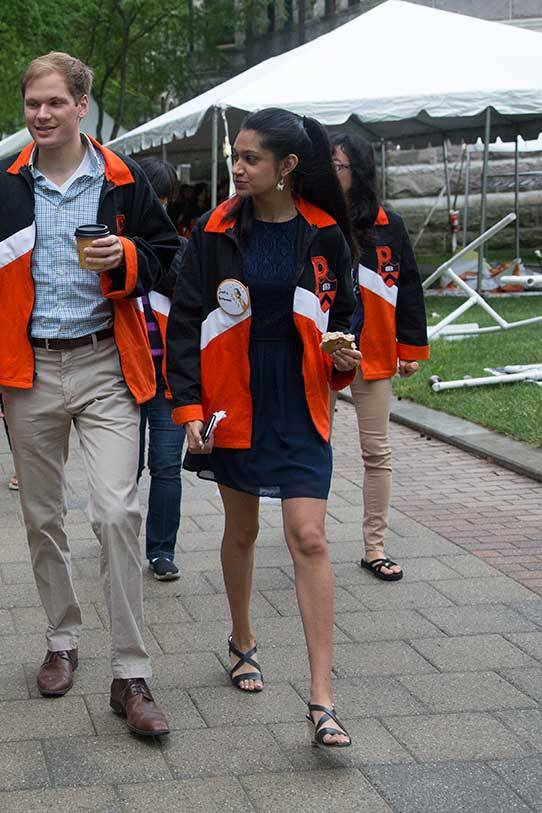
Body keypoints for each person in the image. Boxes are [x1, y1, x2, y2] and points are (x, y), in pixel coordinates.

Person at [0, 51, 180, 738]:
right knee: (43, 516)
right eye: (32, 104)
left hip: (107, 362)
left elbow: (169, 254)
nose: (42, 115)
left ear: (82, 106)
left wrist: (130, 258)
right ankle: (61, 638)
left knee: (116, 511)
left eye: (55, 103)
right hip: (28, 371)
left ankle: (131, 671)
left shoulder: (122, 178)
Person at [166, 108, 361, 748]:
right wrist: (189, 409)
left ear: (287, 166)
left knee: (309, 537)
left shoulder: (327, 233)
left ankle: (321, 699)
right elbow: (185, 322)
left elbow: (346, 316)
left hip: (301, 401)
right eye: (236, 157)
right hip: (233, 399)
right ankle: (242, 637)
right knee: (242, 529)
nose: (238, 167)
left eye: (250, 158)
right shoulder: (214, 230)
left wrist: (343, 354)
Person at [331, 132, 429, 581]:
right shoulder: (317, 219)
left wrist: (409, 348)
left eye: (340, 166)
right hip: (324, 352)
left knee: (377, 451)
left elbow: (408, 286)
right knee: (312, 445)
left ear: (360, 172)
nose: (332, 172)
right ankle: (304, 528)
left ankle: (375, 546)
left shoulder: (389, 224)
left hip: (373, 351)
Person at [135, 157, 185, 581]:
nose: (158, 207)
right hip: (122, 380)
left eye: (163, 200)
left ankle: (161, 550)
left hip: (169, 380)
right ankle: (114, 538)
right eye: (152, 197)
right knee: (121, 468)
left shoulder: (181, 250)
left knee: (166, 466)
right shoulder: (108, 248)